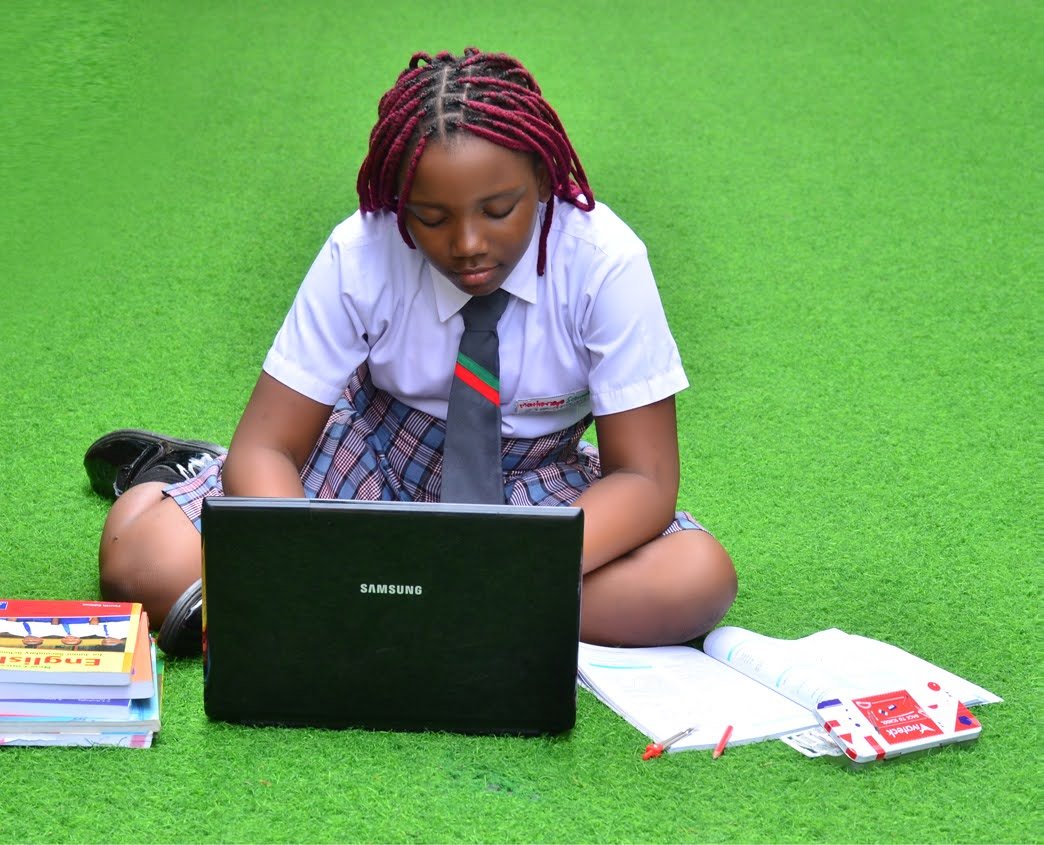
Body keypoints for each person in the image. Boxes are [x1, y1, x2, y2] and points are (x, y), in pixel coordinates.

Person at [85, 48, 737, 655]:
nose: (468, 242)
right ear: (399, 202)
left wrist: (498, 568)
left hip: (534, 481)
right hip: (372, 449)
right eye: (432, 217)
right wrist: (311, 564)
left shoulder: (605, 261)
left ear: (541, 178)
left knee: (696, 580)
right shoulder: (362, 250)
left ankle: (403, 603)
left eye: (499, 207)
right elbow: (270, 447)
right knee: (143, 561)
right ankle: (177, 475)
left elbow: (644, 478)